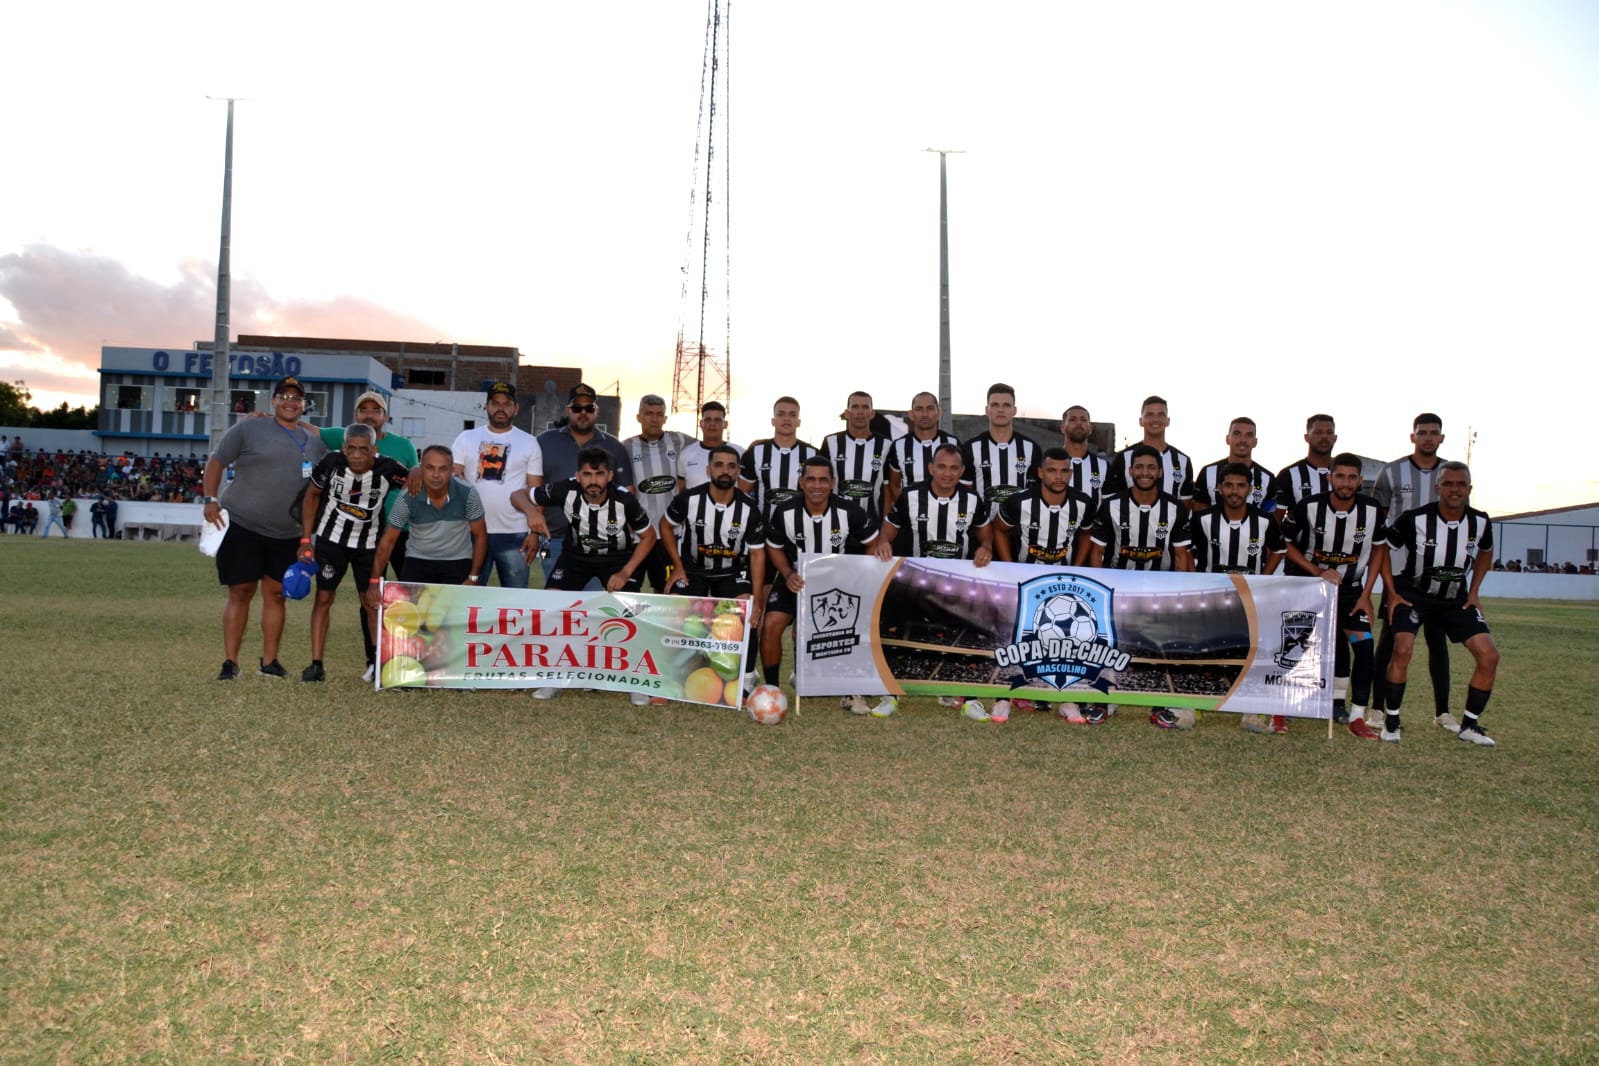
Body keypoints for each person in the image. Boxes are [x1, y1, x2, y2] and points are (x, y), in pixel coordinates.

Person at [201, 375, 329, 681]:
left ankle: (269, 662)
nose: (289, 402)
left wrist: (307, 535)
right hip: (243, 524)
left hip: (287, 532)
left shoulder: (315, 443)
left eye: (296, 398)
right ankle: (230, 662)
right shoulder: (248, 428)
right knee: (240, 591)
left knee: (276, 595)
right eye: (283, 396)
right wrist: (209, 498)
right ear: (273, 401)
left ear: (304, 405)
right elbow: (217, 461)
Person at [518, 446, 656, 702]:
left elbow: (649, 537)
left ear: (610, 476)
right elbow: (518, 495)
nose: (593, 481)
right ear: (577, 476)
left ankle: (637, 680)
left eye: (599, 474)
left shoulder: (624, 500)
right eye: (587, 474)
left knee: (629, 612)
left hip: (617, 559)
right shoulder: (565, 489)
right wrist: (531, 512)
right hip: (576, 557)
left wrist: (626, 572)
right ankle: (555, 676)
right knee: (553, 604)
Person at [1378, 461, 1500, 746]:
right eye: (1448, 484)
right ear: (1438, 488)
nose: (1454, 489)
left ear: (1469, 489)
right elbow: (1382, 548)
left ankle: (1469, 725)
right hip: (1414, 595)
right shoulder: (1415, 518)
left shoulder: (1480, 521)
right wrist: (1393, 592)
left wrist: (1475, 591)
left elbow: (1485, 551)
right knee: (1403, 648)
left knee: (1489, 655)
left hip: (1455, 600)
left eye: (1460, 484)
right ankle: (1392, 721)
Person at [872, 443, 997, 721]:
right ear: (931, 468)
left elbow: (986, 533)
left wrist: (985, 547)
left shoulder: (972, 499)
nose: (947, 473)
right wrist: (883, 541)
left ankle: (969, 699)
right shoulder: (911, 495)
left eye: (954, 468)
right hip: (918, 580)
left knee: (970, 637)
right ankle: (890, 695)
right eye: (941, 466)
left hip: (961, 582)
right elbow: (890, 528)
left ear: (962, 471)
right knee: (894, 633)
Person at [762, 455, 885, 712]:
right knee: (772, 624)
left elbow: (872, 542)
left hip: (834, 581)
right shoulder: (785, 511)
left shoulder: (849, 511)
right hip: (796, 577)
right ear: (801, 482)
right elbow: (773, 548)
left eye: (823, 480)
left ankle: (851, 690)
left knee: (854, 627)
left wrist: (856, 574)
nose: (816, 485)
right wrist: (785, 572)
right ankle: (772, 689)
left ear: (832, 483)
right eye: (811, 479)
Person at [1278, 455, 1388, 740]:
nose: (1346, 483)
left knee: (1364, 648)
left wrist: (1366, 594)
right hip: (1308, 587)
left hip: (1351, 592)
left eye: (1352, 478)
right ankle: (1282, 709)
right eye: (1341, 477)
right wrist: (1317, 571)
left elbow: (1379, 550)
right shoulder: (1309, 506)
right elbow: (1284, 544)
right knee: (1296, 645)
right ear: (1331, 478)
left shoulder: (1373, 510)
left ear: (1360, 481)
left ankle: (1356, 717)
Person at [1088, 444, 1194, 729]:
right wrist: (1101, 589)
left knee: (1157, 649)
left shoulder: (1174, 508)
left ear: (1159, 472)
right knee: (1109, 646)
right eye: (1140, 467)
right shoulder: (1112, 505)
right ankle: (1103, 701)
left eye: (1151, 467)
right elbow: (1096, 552)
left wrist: (1179, 595)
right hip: (1118, 591)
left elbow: (1182, 555)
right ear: (1130, 470)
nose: (1145, 473)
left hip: (1158, 593)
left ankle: (1160, 706)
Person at [993, 446, 1100, 723]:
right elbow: (999, 530)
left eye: (1064, 471)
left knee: (1069, 638)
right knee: (1014, 638)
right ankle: (1003, 698)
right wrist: (1008, 567)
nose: (1058, 476)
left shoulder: (1083, 503)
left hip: (1063, 580)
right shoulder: (1020, 501)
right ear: (1040, 472)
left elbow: (1087, 534)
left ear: (1071, 473)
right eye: (1052, 470)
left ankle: (1068, 700)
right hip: (1025, 578)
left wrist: (1078, 566)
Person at [317, 391, 419, 680]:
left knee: (410, 593)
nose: (370, 415)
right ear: (356, 416)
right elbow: (307, 428)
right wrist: (262, 416)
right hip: (367, 535)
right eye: (364, 410)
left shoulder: (403, 445)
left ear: (386, 417)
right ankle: (374, 660)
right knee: (371, 597)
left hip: (401, 531)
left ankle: (415, 654)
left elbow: (415, 475)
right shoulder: (344, 437)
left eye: (377, 410)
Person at [298, 424, 410, 682]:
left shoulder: (389, 468)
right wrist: (306, 539)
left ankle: (377, 664)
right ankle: (316, 664)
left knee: (371, 603)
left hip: (369, 545)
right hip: (331, 541)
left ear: (374, 450)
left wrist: (415, 472)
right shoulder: (331, 462)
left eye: (364, 450)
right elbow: (312, 496)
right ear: (344, 447)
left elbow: (414, 480)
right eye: (352, 448)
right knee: (324, 599)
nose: (357, 455)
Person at [658, 445, 767, 703]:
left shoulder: (749, 508)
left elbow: (757, 554)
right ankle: (669, 678)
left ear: (738, 471)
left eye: (731, 466)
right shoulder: (689, 498)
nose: (725, 470)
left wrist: (758, 597)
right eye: (719, 465)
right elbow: (665, 525)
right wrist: (678, 566)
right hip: (694, 568)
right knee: (675, 610)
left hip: (731, 571)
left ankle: (746, 679)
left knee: (748, 613)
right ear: (709, 469)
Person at [1371, 413, 1453, 731]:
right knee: (1390, 640)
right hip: (1401, 575)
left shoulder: (1451, 474)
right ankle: (1378, 709)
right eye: (1423, 432)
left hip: (1439, 577)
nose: (1428, 438)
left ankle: (1443, 712)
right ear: (1413, 436)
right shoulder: (1392, 472)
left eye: (1434, 433)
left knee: (1438, 641)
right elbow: (1378, 522)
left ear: (1441, 438)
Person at [451, 381, 546, 589]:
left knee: (515, 601)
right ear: (486, 406)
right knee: (468, 597)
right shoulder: (466, 438)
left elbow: (535, 491)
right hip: (471, 531)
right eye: (495, 403)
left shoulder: (529, 442)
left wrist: (534, 533)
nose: (500, 408)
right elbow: (452, 475)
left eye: (507, 403)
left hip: (515, 533)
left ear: (516, 408)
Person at [534, 383, 632, 585]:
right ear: (567, 410)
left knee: (594, 608)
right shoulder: (544, 442)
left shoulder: (613, 446)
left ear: (597, 411)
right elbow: (534, 488)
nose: (583, 413)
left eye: (589, 408)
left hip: (601, 543)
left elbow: (628, 493)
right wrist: (534, 532)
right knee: (560, 608)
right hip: (555, 540)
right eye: (577, 408)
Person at [367, 445, 489, 592]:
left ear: (452, 470)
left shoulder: (467, 493)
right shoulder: (407, 497)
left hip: (457, 560)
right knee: (411, 612)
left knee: (453, 614)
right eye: (430, 468)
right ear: (421, 469)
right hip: (418, 559)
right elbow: (388, 540)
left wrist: (473, 577)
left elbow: (480, 535)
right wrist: (374, 581)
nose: (436, 475)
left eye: (443, 469)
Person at [623, 393, 692, 592]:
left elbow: (708, 447)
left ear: (665, 418)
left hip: (669, 533)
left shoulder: (679, 440)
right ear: (639, 417)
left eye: (659, 414)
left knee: (669, 591)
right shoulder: (626, 446)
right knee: (626, 591)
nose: (654, 419)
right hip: (638, 533)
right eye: (648, 414)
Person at [960, 382, 1039, 519]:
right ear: (987, 409)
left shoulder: (1031, 448)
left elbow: (1037, 492)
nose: (1001, 410)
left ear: (1014, 410)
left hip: (1020, 528)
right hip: (982, 527)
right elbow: (964, 492)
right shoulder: (971, 448)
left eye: (1006, 405)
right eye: (995, 405)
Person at [1103, 396, 1194, 504]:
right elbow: (1110, 500)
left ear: (1168, 421)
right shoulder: (1124, 457)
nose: (1155, 419)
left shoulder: (1182, 460)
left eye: (1161, 414)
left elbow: (1186, 504)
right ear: (1141, 421)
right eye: (1149, 415)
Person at [738, 396, 818, 517]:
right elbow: (742, 493)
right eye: (781, 414)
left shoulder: (813, 454)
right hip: (764, 529)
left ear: (798, 422)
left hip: (801, 527)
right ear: (773, 420)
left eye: (792, 415)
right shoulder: (755, 452)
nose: (786, 419)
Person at [820, 390, 895, 519]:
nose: (860, 412)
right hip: (835, 522)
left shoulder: (886, 445)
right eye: (855, 407)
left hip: (872, 522)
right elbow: (820, 483)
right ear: (847, 413)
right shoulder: (831, 442)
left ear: (872, 414)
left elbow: (888, 488)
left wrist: (884, 526)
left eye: (865, 407)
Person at [884, 390, 959, 516]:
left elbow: (962, 483)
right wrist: (906, 508)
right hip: (911, 517)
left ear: (938, 412)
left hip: (947, 516)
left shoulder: (953, 443)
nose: (925, 414)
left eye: (930, 408)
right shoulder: (899, 446)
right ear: (911, 414)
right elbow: (894, 484)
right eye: (919, 409)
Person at [1193, 416, 1277, 515]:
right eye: (1237, 434)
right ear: (1228, 439)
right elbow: (1199, 515)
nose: (1243, 440)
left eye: (1249, 435)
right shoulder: (1208, 472)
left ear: (1255, 442)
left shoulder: (1268, 478)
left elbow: (1269, 520)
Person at [1274, 414, 1338, 523]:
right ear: (1306, 437)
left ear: (1335, 437)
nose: (1324, 437)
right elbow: (1276, 520)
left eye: (1329, 432)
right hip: (1299, 540)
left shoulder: (1346, 474)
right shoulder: (1288, 475)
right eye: (1318, 432)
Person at [677, 400, 743, 490]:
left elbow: (745, 488)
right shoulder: (686, 454)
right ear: (700, 423)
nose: (712, 424)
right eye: (708, 420)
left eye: (717, 420)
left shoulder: (740, 453)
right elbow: (680, 490)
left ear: (725, 424)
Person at [1060, 405, 1110, 506]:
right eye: (1072, 419)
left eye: (1083, 420)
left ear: (1090, 429)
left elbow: (1109, 505)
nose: (1078, 423)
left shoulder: (1103, 466)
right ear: (1062, 428)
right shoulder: (1049, 463)